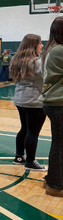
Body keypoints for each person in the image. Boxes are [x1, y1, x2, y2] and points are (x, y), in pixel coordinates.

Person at [9, 33, 45, 171]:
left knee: (24, 128)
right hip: (34, 101)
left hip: (20, 99)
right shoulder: (37, 62)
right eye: (40, 43)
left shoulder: (16, 60)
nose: (41, 45)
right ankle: (30, 161)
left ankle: (19, 157)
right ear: (33, 45)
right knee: (33, 132)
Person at [41, 18, 63, 198]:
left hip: (53, 102)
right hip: (59, 103)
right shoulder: (60, 50)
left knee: (58, 143)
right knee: (60, 145)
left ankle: (52, 179)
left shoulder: (52, 49)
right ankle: (55, 185)